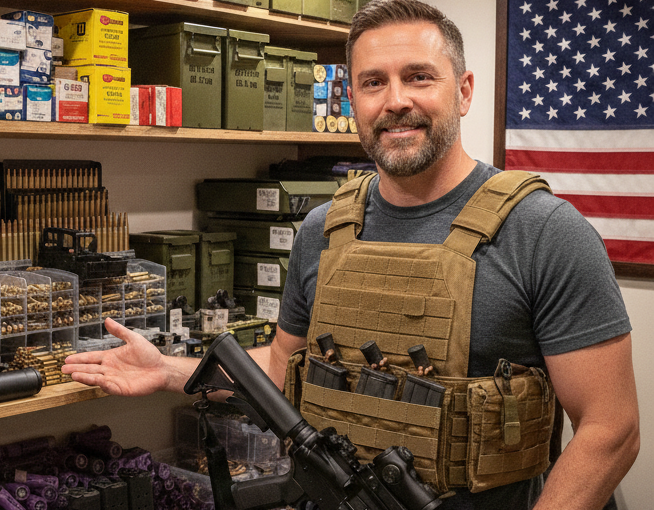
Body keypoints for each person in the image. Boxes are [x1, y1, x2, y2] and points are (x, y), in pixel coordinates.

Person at [62, 1, 640, 508]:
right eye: (373, 82)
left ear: (464, 91)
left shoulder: (543, 232)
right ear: (353, 97)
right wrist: (169, 369)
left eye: (419, 77)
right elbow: (283, 369)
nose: (396, 101)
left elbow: (611, 430)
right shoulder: (324, 229)